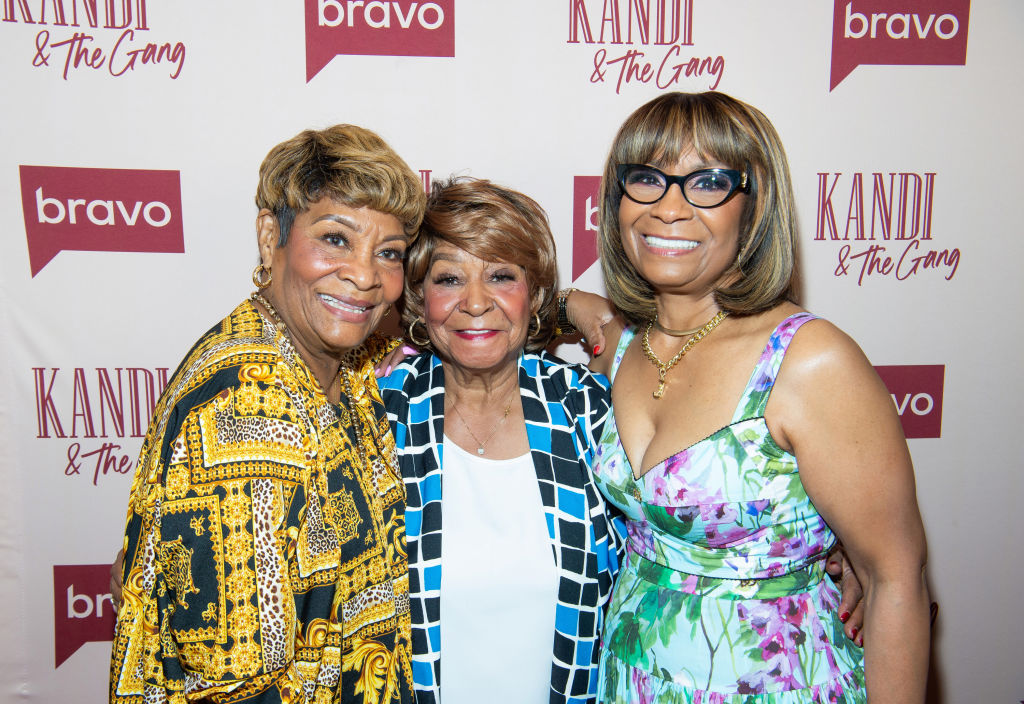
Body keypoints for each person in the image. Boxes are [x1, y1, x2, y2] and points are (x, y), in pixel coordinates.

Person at [582, 91, 930, 702]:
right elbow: (516, 303)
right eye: (646, 179)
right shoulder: (623, 344)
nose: (668, 208)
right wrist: (562, 302)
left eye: (708, 183)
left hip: (775, 684)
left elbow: (894, 580)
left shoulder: (808, 360)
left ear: (755, 205)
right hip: (629, 677)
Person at [109, 124, 425, 703]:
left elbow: (465, 319)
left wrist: (559, 307)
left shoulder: (342, 367)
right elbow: (239, 688)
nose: (365, 275)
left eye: (389, 253)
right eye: (335, 239)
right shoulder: (247, 411)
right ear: (268, 236)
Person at [377, 177, 621, 704]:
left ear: (535, 294)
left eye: (501, 276)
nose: (475, 303)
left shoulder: (585, 408)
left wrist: (573, 305)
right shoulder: (380, 413)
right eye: (449, 279)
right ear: (419, 298)